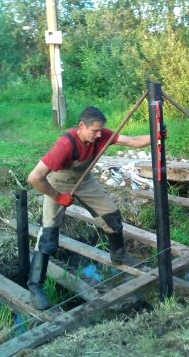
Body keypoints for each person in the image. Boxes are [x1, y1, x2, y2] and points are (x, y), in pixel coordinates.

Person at [26, 106, 156, 309]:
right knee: (49, 236)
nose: (99, 134)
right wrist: (58, 196)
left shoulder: (101, 134)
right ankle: (35, 287)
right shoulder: (64, 145)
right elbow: (34, 177)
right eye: (94, 130)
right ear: (81, 126)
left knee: (112, 216)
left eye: (100, 130)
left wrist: (156, 135)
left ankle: (119, 255)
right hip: (58, 184)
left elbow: (133, 141)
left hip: (84, 181)